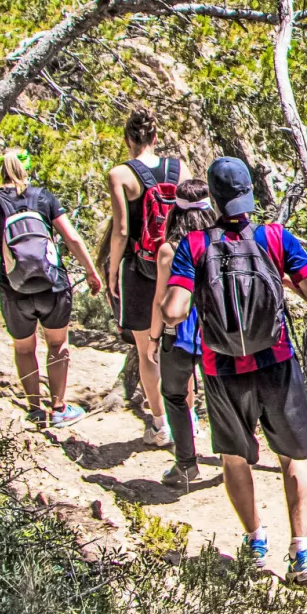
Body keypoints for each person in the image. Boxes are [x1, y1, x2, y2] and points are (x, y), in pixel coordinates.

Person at [160, 156, 307, 584]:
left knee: (235, 458)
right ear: (249, 193)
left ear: (214, 200)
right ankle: (301, 550)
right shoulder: (275, 237)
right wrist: (288, 283)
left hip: (222, 368)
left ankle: (255, 541)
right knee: (293, 457)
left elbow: (174, 311)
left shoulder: (194, 245)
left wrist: (176, 299)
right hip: (277, 361)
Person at [0, 152, 103, 426]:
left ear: (2, 171)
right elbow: (72, 238)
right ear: (27, 169)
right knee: (57, 345)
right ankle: (58, 408)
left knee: (23, 349)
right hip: (52, 286)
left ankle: (34, 409)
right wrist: (91, 271)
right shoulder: (43, 197)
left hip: (14, 288)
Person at [107, 107, 189, 448]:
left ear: (128, 139)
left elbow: (121, 230)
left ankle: (160, 424)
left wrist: (113, 270)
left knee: (146, 352)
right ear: (156, 137)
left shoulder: (120, 174)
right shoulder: (180, 169)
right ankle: (188, 419)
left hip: (140, 268)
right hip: (177, 267)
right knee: (180, 347)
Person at [150, 178, 215, 489]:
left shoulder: (169, 249)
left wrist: (153, 339)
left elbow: (160, 300)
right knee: (221, 395)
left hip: (177, 332)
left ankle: (186, 465)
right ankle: (237, 458)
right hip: (216, 330)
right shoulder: (220, 242)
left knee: (175, 395)